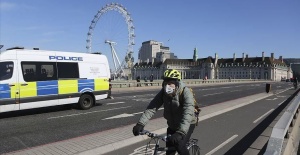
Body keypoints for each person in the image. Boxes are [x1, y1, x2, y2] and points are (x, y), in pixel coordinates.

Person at [132, 69, 197, 155]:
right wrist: (140, 124)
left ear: (176, 83)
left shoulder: (185, 92)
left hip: (187, 125)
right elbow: (152, 107)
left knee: (179, 145)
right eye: (165, 83)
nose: (167, 86)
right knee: (169, 152)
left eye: (170, 83)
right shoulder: (163, 92)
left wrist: (180, 132)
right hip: (172, 125)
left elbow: (188, 113)